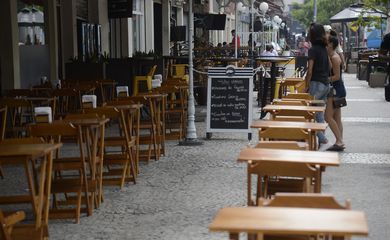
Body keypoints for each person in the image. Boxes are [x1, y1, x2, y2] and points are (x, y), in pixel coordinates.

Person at [305, 23, 330, 145]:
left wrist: (306, 85)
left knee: (311, 112)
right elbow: (329, 66)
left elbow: (309, 71)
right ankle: (322, 138)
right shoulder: (324, 48)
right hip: (325, 84)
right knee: (319, 113)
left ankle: (321, 138)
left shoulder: (312, 50)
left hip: (316, 84)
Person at [325, 36, 346, 151]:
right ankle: (340, 141)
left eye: (327, 42)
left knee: (327, 116)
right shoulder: (331, 56)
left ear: (332, 44)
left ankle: (339, 141)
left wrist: (325, 79)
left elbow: (337, 76)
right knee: (337, 117)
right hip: (338, 89)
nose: (325, 44)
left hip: (336, 90)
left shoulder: (334, 57)